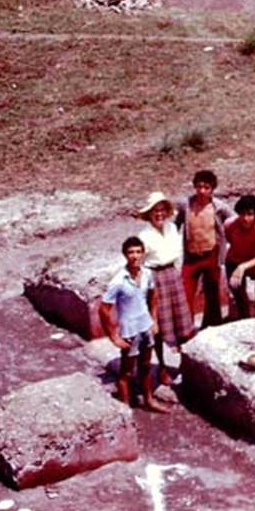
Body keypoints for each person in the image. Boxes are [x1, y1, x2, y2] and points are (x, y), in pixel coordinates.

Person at [98, 236, 169, 413]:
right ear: (125, 255)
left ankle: (149, 400)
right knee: (126, 372)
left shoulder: (147, 274)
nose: (135, 256)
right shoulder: (118, 281)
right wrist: (114, 336)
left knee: (145, 366)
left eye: (138, 252)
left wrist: (154, 320)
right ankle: (125, 410)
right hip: (130, 331)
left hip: (146, 327)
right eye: (131, 252)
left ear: (143, 254)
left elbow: (153, 297)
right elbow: (104, 310)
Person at [136, 191, 194, 385]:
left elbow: (177, 253)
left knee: (181, 322)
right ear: (149, 214)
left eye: (162, 210)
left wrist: (177, 274)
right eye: (155, 211)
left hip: (172, 275)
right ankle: (161, 367)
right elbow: (140, 264)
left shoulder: (171, 228)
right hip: (155, 278)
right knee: (159, 325)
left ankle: (187, 364)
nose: (159, 214)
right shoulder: (143, 236)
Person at [174, 170, 234, 330]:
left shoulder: (219, 207)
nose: (202, 190)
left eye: (206, 187)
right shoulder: (186, 205)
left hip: (211, 255)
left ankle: (212, 327)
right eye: (199, 186)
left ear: (212, 189)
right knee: (185, 292)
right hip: (191, 256)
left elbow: (233, 223)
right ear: (194, 187)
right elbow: (175, 226)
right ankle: (186, 330)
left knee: (212, 292)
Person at [223, 194, 255, 325]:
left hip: (252, 262)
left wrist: (243, 266)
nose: (246, 218)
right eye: (242, 214)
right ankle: (244, 320)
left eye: (250, 214)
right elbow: (229, 241)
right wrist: (237, 265)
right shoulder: (229, 224)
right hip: (234, 261)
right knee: (239, 294)